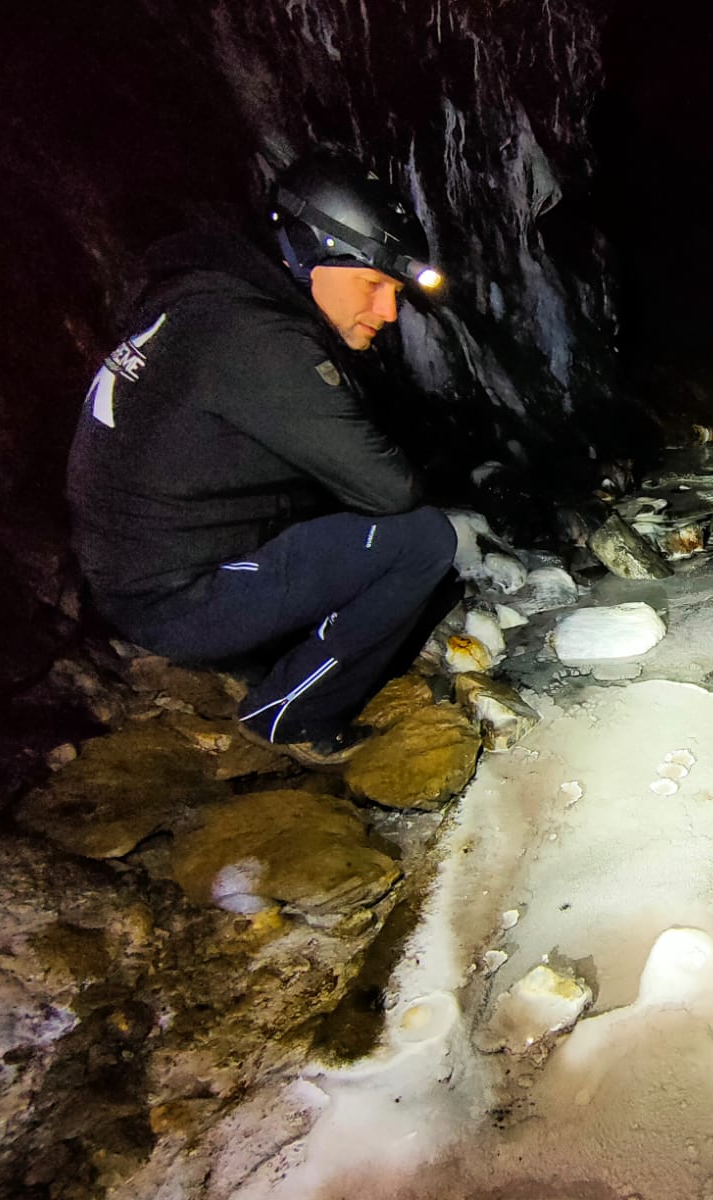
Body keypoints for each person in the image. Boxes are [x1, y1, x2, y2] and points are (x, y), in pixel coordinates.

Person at [67, 151, 482, 766]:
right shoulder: (262, 343)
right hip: (173, 599)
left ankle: (266, 652)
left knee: (345, 516)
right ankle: (289, 714)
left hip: (132, 573)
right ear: (306, 255)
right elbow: (389, 491)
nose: (388, 313)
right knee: (419, 539)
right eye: (372, 286)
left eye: (393, 292)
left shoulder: (206, 303)